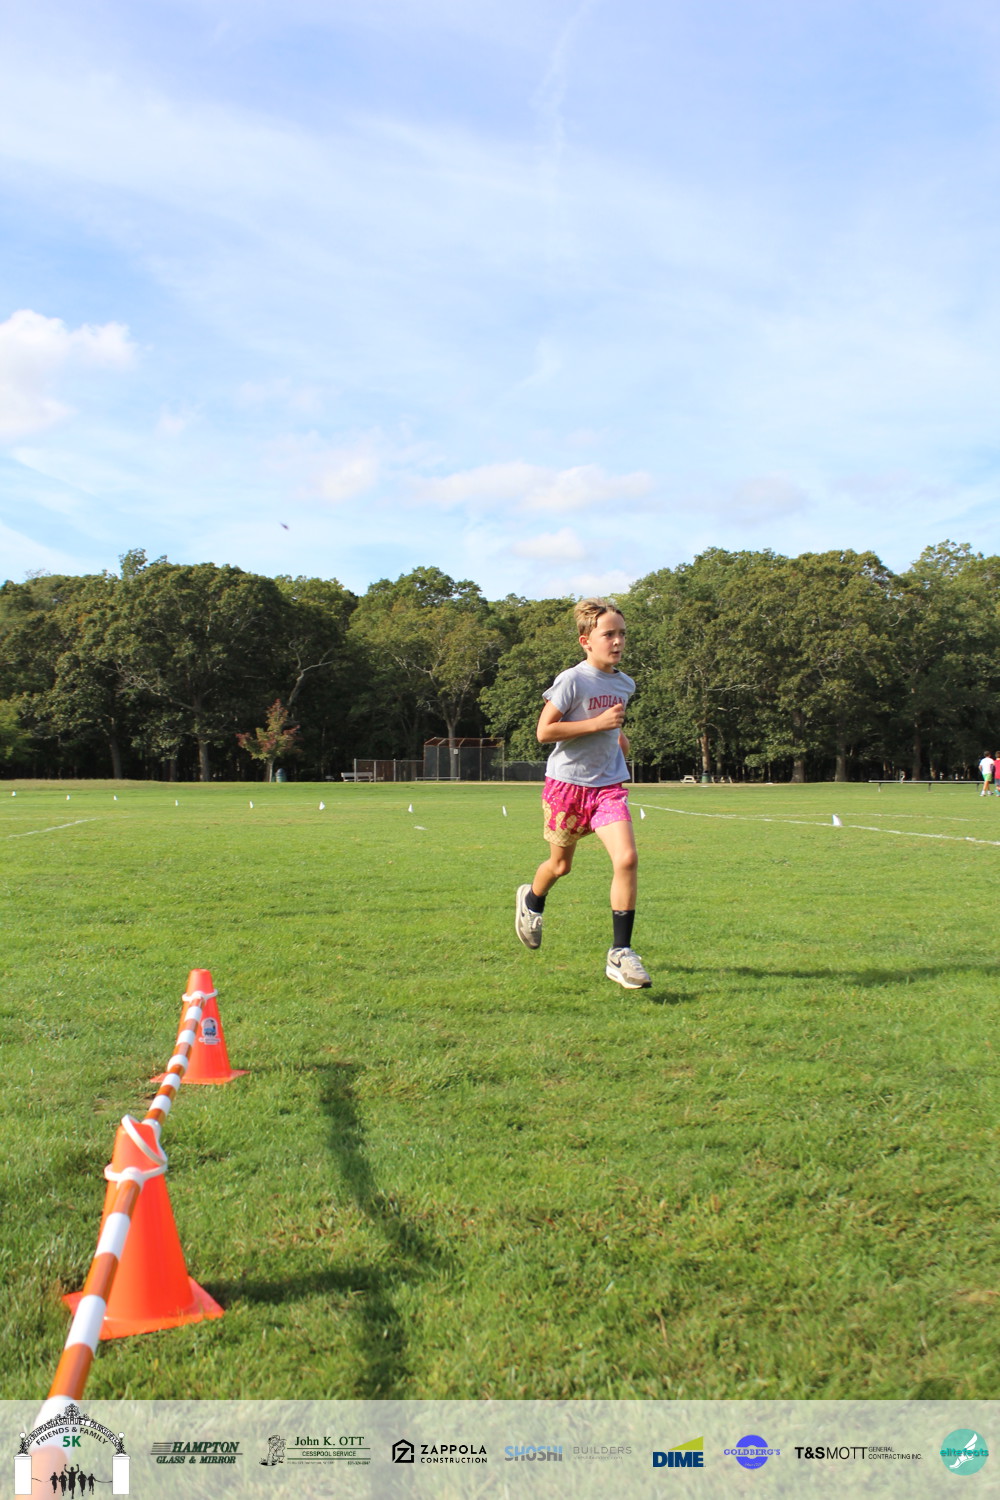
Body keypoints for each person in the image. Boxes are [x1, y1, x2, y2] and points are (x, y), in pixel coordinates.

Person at [514, 598, 651, 988]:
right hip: (567, 787)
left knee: (627, 858)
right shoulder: (572, 680)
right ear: (586, 641)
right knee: (560, 866)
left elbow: (611, 724)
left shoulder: (625, 684)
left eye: (622, 634)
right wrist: (598, 725)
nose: (618, 641)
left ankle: (620, 953)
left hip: (608, 787)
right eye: (609, 634)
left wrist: (618, 738)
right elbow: (545, 732)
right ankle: (532, 900)